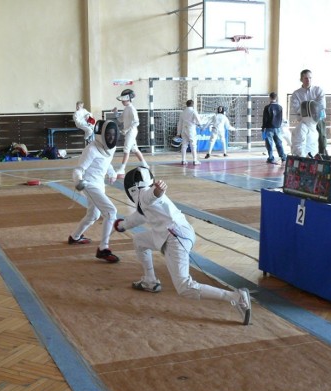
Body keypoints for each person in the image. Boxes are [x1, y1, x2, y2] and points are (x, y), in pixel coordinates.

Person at [114, 167, 252, 325]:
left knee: (184, 287)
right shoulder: (143, 203)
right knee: (139, 241)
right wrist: (122, 225)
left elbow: (152, 195)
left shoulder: (145, 196)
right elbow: (138, 217)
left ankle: (236, 297)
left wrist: (158, 190)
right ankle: (150, 281)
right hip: (170, 234)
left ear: (131, 187)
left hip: (175, 237)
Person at [68, 119, 121, 263]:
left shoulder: (111, 148)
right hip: (89, 184)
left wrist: (112, 172)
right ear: (101, 134)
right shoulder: (91, 149)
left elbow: (107, 163)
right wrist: (78, 180)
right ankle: (103, 249)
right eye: (108, 134)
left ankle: (75, 237)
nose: (111, 137)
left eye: (113, 134)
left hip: (99, 184)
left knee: (93, 214)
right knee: (111, 212)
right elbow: (79, 170)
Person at [112, 89, 149, 177]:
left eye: (124, 99)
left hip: (131, 132)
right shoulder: (126, 109)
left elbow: (136, 122)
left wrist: (127, 129)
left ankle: (122, 169)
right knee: (135, 149)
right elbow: (120, 120)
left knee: (126, 150)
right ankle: (145, 165)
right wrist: (116, 112)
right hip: (129, 132)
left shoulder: (132, 109)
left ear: (129, 99)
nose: (122, 101)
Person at [290, 69, 326, 157]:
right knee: (303, 141)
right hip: (305, 122)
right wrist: (312, 107)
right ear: (301, 79)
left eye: (310, 78)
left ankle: (322, 157)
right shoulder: (296, 94)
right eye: (306, 78)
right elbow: (297, 109)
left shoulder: (318, 90)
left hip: (318, 120)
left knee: (321, 139)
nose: (308, 80)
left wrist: (306, 108)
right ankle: (305, 158)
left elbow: (321, 106)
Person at [262, 92, 287, 165]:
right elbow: (281, 118)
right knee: (279, 143)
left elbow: (265, 119)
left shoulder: (267, 107)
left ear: (270, 97)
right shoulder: (280, 107)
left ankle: (271, 158)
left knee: (269, 144)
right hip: (278, 128)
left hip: (269, 127)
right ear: (276, 98)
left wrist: (263, 127)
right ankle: (283, 157)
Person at [176, 99, 202, 165]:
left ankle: (183, 160)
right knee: (193, 145)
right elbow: (199, 121)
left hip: (183, 130)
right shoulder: (193, 111)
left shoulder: (183, 112)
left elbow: (179, 123)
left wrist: (178, 133)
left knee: (184, 145)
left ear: (186, 104)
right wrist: (200, 125)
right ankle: (195, 160)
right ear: (192, 104)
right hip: (191, 129)